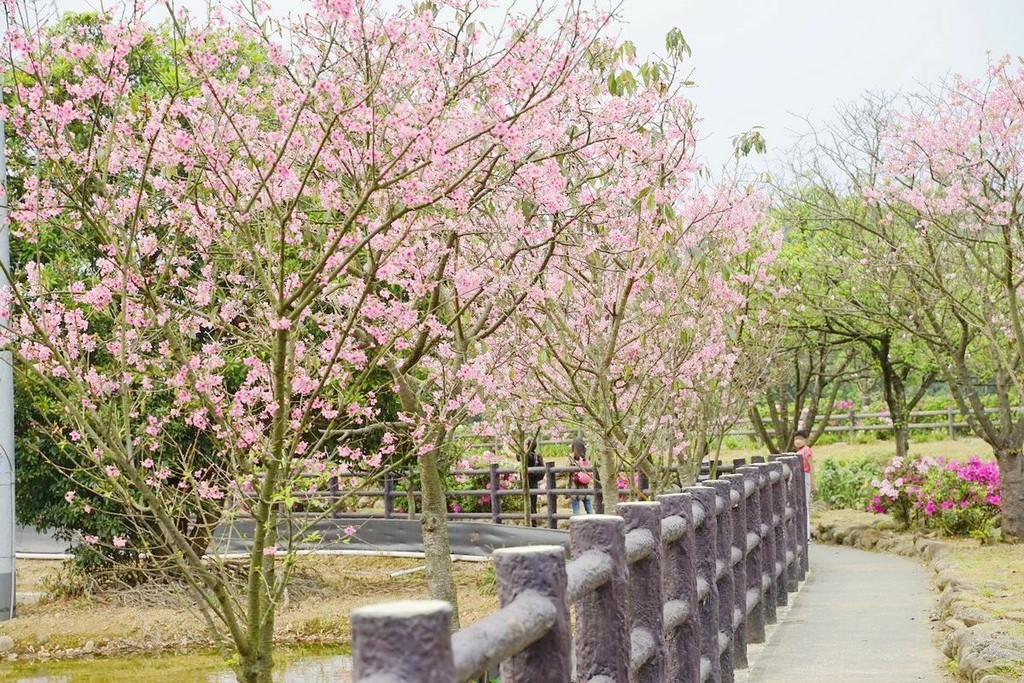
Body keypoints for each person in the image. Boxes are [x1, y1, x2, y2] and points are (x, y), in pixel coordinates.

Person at [794, 430, 815, 537]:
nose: (798, 441)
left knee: (805, 505)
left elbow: (811, 466)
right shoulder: (798, 453)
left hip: (806, 477)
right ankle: (802, 533)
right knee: (801, 505)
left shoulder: (807, 450)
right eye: (796, 439)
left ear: (805, 440)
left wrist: (813, 483)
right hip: (799, 478)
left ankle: (806, 535)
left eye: (800, 439)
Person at [568, 436, 594, 515]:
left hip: (574, 486)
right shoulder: (586, 457)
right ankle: (593, 522)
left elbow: (566, 470)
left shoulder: (571, 457)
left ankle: (577, 524)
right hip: (585, 485)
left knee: (576, 509)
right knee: (589, 508)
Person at [524, 439, 544, 525]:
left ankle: (532, 523)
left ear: (528, 446)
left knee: (530, 503)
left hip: (529, 482)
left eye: (524, 444)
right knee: (533, 503)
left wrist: (506, 448)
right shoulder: (534, 455)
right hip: (534, 482)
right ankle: (534, 522)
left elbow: (514, 455)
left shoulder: (527, 456)